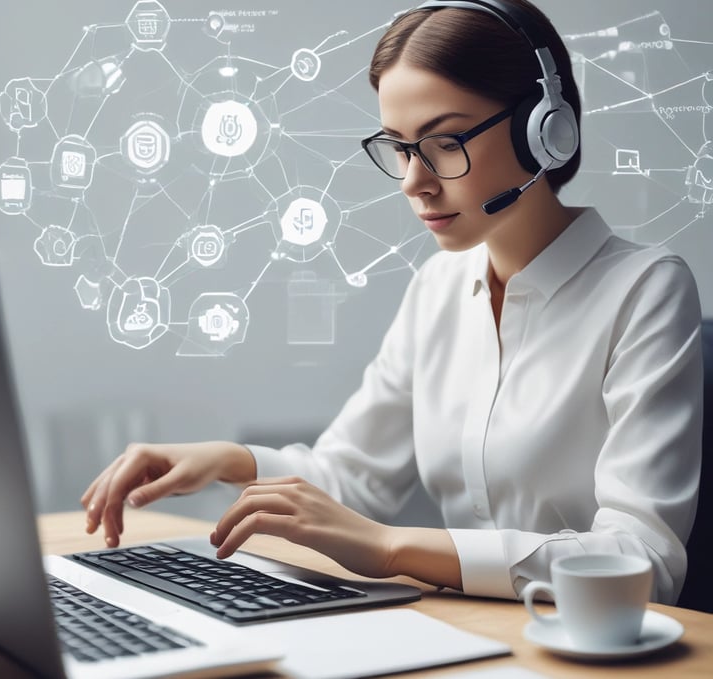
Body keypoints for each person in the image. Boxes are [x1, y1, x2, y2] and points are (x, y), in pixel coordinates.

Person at [82, 0, 703, 605]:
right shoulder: (438, 287)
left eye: (446, 141)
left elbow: (641, 562)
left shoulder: (644, 290)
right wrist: (227, 460)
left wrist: (390, 549)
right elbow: (354, 480)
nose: (414, 180)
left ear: (544, 130)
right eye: (401, 147)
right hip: (466, 633)